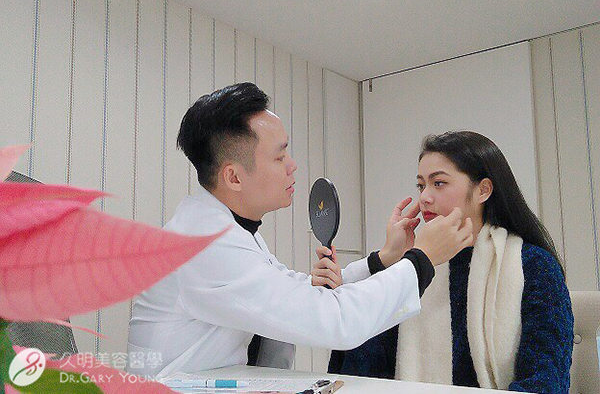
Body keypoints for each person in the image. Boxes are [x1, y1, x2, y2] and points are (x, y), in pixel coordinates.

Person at [126, 83, 473, 378]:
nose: (292, 165)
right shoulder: (204, 247)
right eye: (280, 157)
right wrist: (422, 258)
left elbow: (295, 292)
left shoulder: (232, 232)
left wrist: (382, 259)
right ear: (233, 176)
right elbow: (335, 320)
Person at [326, 131, 574, 393]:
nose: (425, 197)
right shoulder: (412, 268)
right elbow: (358, 368)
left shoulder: (533, 266)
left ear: (483, 190)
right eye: (421, 185)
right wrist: (386, 260)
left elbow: (546, 381)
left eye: (439, 183)